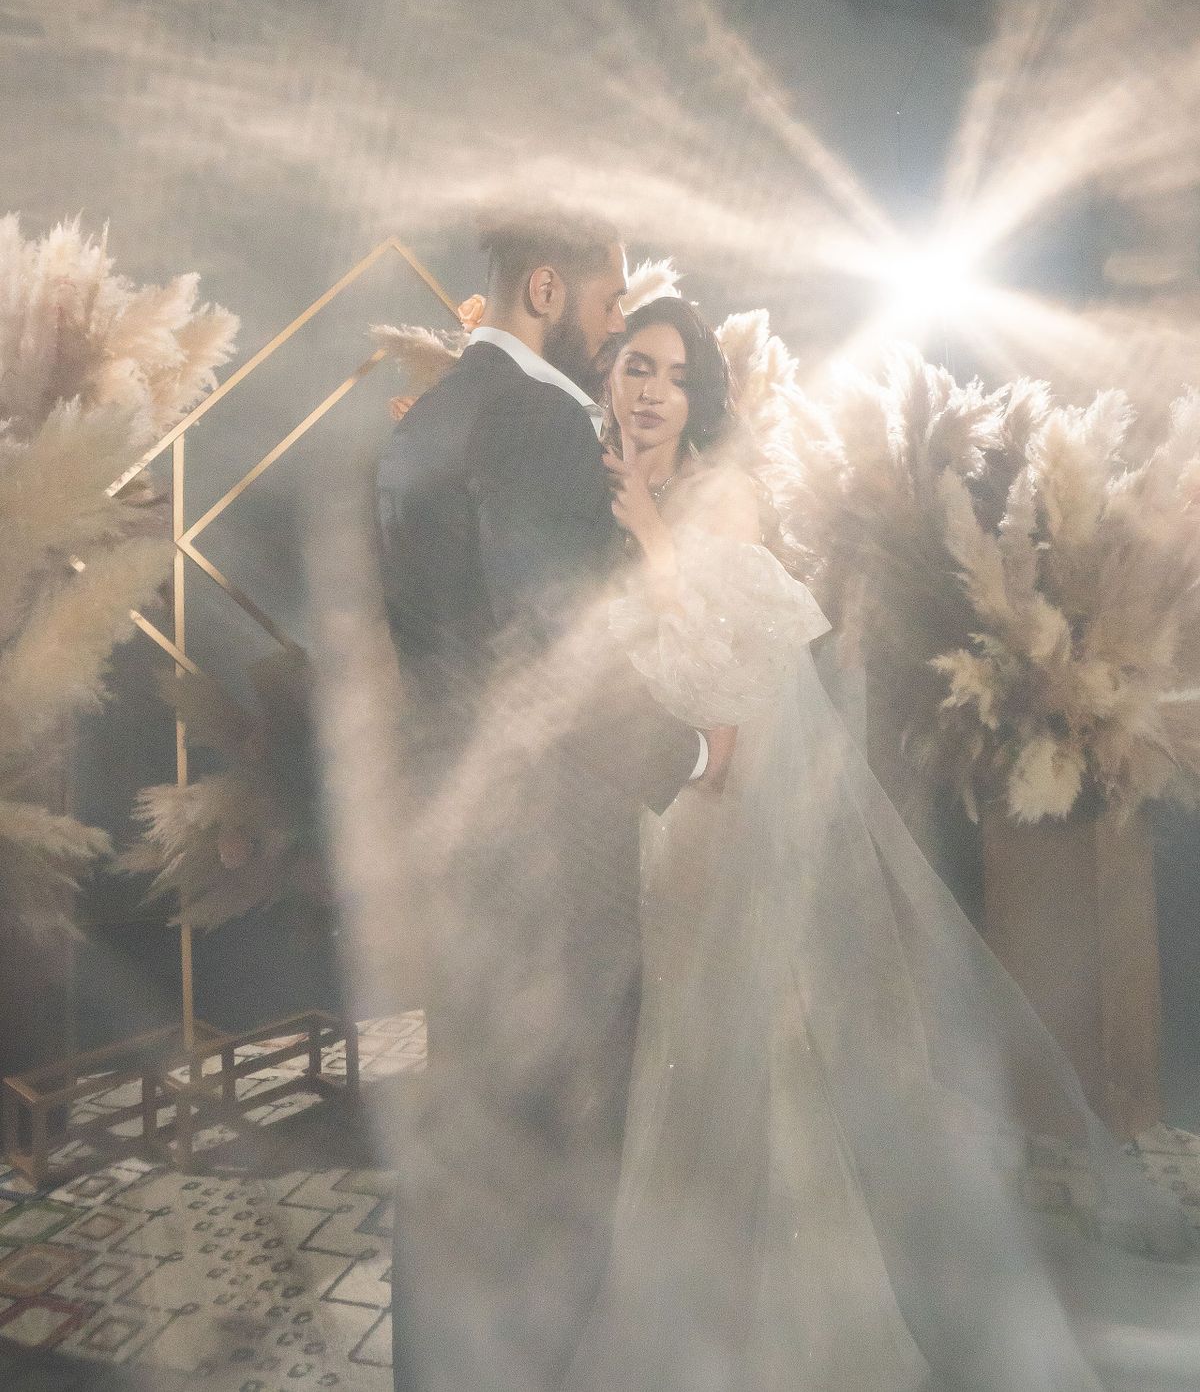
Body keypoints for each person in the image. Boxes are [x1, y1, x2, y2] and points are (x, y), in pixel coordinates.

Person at [565, 294, 1200, 1392]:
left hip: (732, 819)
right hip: (659, 822)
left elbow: (738, 675)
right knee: (675, 1060)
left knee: (765, 1060)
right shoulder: (608, 497)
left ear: (698, 396)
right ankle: (681, 1312)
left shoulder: (726, 502)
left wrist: (651, 535)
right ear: (608, 380)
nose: (649, 390)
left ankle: (804, 1339)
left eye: (671, 373)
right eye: (633, 367)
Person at [375, 212, 724, 1392]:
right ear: (543, 288)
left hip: (454, 848)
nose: (619, 319)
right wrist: (687, 756)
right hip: (550, 864)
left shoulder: (423, 425)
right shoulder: (536, 427)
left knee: (459, 1155)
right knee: (569, 1158)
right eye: (609, 297)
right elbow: (552, 657)